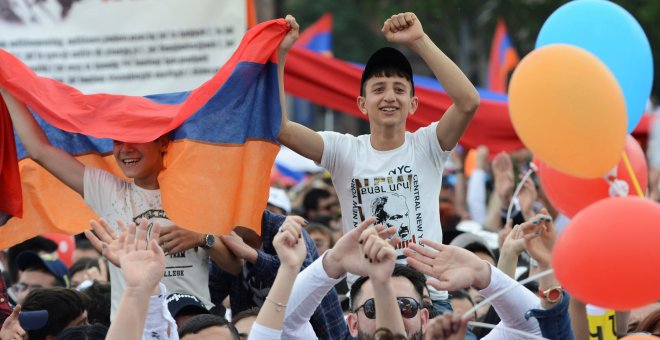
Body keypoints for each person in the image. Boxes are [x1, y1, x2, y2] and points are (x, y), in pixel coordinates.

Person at [277, 12, 480, 312]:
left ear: (413, 104)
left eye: (399, 89)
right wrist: (280, 56)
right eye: (378, 89)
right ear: (362, 104)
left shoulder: (428, 145)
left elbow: (468, 102)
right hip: (366, 302)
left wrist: (419, 41)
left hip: (428, 302)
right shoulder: (343, 150)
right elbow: (282, 130)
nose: (389, 97)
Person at [1, 85, 241, 319]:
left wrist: (203, 238)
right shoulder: (108, 192)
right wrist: (8, 85)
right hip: (132, 330)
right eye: (117, 141)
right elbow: (38, 149)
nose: (125, 149)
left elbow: (235, 266)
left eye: (136, 139)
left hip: (193, 328)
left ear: (163, 142)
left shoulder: (199, 193)